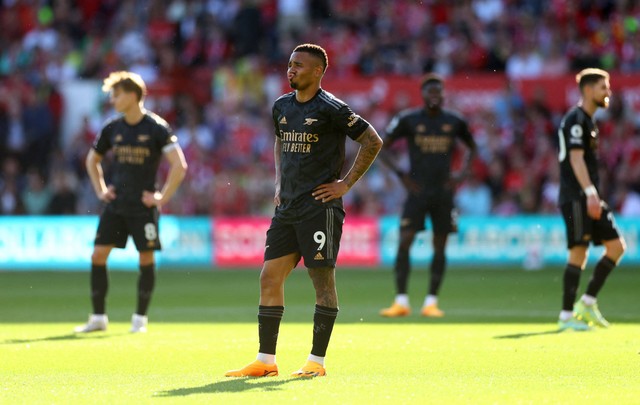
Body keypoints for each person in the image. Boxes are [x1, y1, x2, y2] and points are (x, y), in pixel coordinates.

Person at [225, 44, 382, 378]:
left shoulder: (333, 108)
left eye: (298, 66)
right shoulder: (281, 105)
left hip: (320, 207)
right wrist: (280, 183)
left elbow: (372, 141)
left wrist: (345, 184)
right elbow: (281, 142)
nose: (290, 70)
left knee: (321, 281)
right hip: (288, 207)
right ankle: (266, 361)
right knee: (269, 276)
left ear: (317, 72)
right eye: (289, 65)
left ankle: (316, 362)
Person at [74, 71, 188, 334]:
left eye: (116, 94)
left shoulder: (157, 128)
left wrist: (162, 197)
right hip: (116, 205)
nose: (112, 99)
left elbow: (179, 166)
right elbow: (92, 160)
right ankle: (98, 317)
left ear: (132, 95)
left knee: (145, 257)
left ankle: (139, 319)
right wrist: (101, 189)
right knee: (98, 255)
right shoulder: (112, 128)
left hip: (143, 207)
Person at [379, 73, 476, 318]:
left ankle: (431, 302)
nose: (434, 96)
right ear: (422, 95)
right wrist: (401, 175)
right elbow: (381, 146)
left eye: (438, 92)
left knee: (440, 245)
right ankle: (401, 301)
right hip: (417, 191)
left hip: (443, 192)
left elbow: (472, 148)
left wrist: (461, 174)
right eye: (430, 92)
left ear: (443, 95)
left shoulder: (455, 121)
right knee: (405, 241)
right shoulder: (409, 119)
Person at [556, 68, 626, 331]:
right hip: (577, 197)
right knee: (578, 252)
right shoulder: (575, 120)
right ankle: (565, 317)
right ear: (588, 90)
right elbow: (575, 159)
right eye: (603, 87)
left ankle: (586, 302)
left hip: (587, 195)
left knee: (616, 247)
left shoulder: (588, 121)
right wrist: (590, 193)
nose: (608, 92)